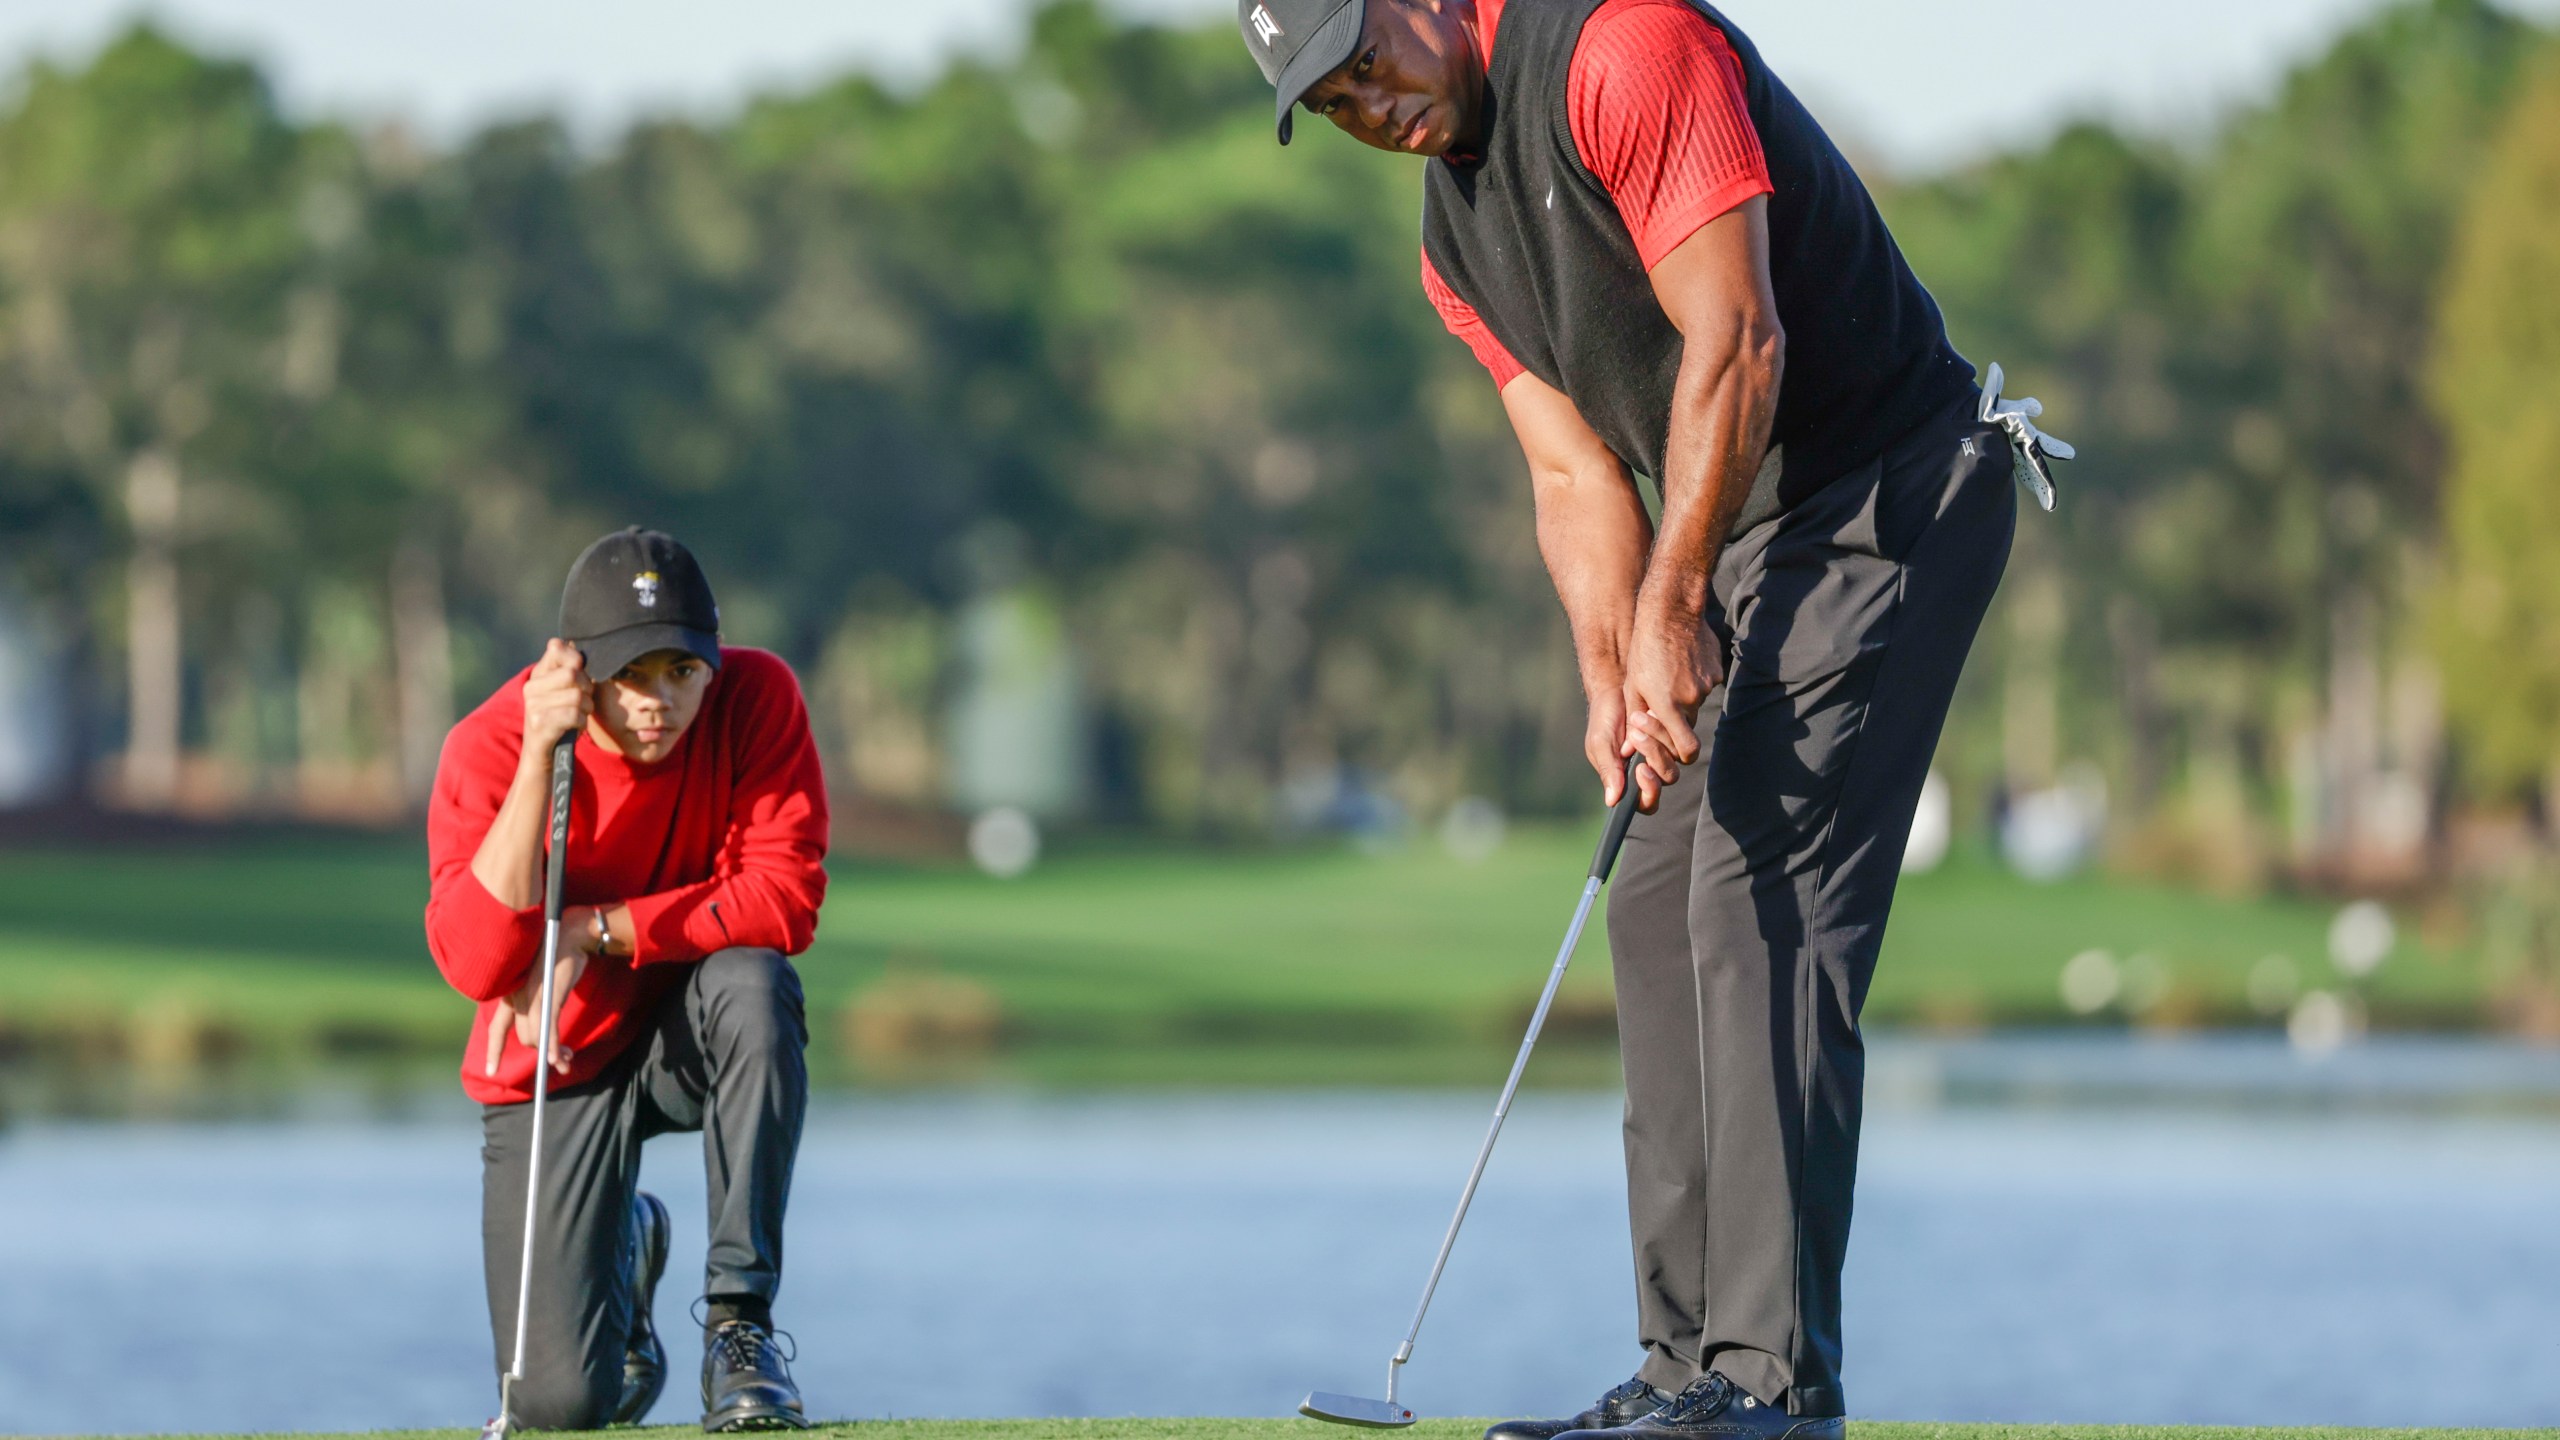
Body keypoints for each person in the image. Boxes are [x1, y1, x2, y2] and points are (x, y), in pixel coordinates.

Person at [1236, 3, 2068, 1438]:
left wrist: (1674, 604)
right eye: (1333, 102)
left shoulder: (1626, 47)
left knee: (1762, 911)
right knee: (1657, 902)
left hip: (1885, 494)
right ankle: (1682, 1373)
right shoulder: (1455, 241)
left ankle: (1770, 1383)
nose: (1370, 104)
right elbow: (1572, 479)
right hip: (1735, 537)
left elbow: (1738, 342)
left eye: (1366, 57)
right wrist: (1616, 669)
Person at [426, 527, 829, 1432]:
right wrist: (539, 754)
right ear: (576, 670)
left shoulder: (756, 699)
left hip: (691, 1030)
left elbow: (786, 898)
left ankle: (739, 1328)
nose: (660, 701)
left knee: (756, 986)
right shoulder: (491, 746)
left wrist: (595, 930)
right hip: (556, 1057)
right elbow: (478, 964)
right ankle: (628, 1246)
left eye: (681, 672)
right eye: (633, 675)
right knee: (560, 1406)